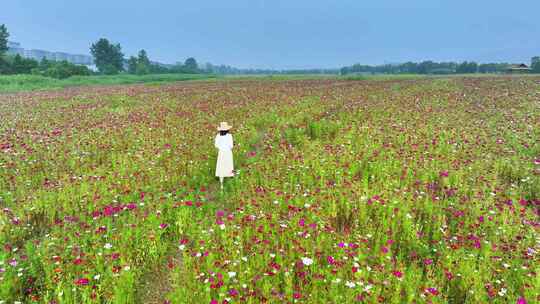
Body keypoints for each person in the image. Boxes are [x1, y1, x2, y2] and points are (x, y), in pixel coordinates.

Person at [214, 122, 234, 189]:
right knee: (228, 166)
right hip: (228, 152)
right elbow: (231, 146)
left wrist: (221, 147)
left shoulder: (218, 136)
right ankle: (230, 180)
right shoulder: (229, 136)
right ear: (227, 129)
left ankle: (221, 184)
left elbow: (216, 145)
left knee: (221, 167)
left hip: (221, 153)